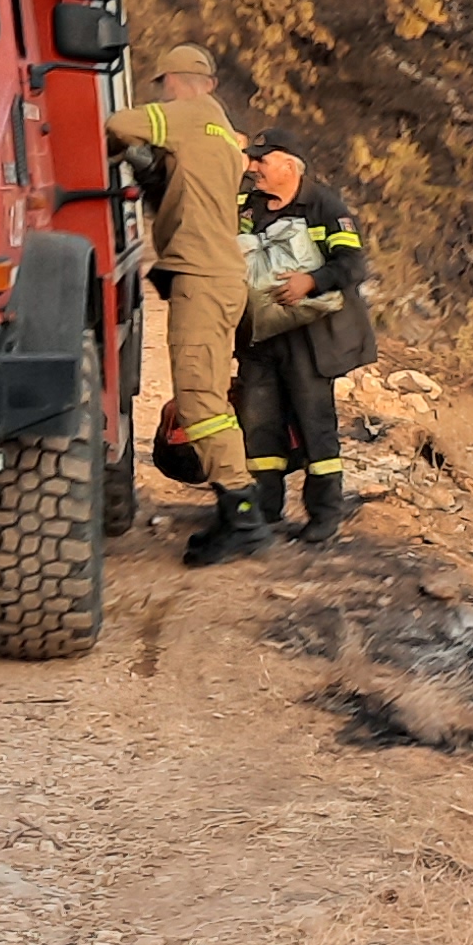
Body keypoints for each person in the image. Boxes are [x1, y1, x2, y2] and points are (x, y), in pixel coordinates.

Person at [110, 44, 273, 566]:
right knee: (210, 397)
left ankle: (243, 514)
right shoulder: (225, 134)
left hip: (201, 277)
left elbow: (117, 122)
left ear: (176, 81)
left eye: (163, 85)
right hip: (221, 273)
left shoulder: (183, 116)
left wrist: (136, 150)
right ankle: (235, 513)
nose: (161, 91)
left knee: (201, 400)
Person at [231, 136, 377, 543]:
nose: (254, 167)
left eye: (264, 160)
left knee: (315, 427)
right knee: (259, 428)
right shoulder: (247, 206)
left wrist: (310, 281)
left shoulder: (325, 208)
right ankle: (264, 510)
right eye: (253, 159)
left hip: (309, 342)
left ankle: (324, 516)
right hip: (259, 340)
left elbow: (351, 264)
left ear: (291, 166)